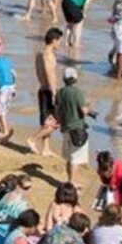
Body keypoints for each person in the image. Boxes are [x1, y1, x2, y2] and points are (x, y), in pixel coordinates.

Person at [27, 28, 64, 157]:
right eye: (59, 41)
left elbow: (38, 73)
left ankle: (46, 148)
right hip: (48, 91)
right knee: (55, 122)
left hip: (42, 89)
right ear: (54, 40)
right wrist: (54, 93)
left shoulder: (39, 54)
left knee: (47, 121)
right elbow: (49, 74)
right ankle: (33, 139)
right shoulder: (48, 55)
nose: (60, 44)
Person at [55, 67, 91, 183]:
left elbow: (57, 110)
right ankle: (72, 182)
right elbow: (83, 111)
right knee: (76, 157)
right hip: (77, 128)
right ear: (75, 78)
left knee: (69, 158)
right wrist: (89, 107)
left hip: (65, 128)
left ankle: (71, 180)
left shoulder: (59, 93)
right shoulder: (77, 92)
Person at [95, 151, 122, 229]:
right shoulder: (100, 171)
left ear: (112, 166)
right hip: (117, 188)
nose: (107, 174)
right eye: (104, 172)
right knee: (108, 215)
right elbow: (106, 185)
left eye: (110, 171)